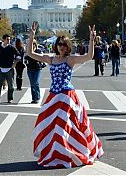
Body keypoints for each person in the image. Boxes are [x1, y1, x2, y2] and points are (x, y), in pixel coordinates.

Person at [27, 22, 103, 168]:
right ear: (56, 45)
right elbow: (30, 54)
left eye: (64, 44)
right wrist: (31, 37)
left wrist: (92, 39)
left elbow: (89, 56)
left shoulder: (70, 59)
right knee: (48, 124)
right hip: (53, 95)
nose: (61, 46)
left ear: (68, 46)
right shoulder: (50, 58)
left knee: (64, 127)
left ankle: (68, 152)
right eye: (59, 44)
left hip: (67, 96)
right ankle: (55, 153)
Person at [0, 34, 20, 104]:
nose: (9, 41)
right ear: (3, 39)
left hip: (9, 69)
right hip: (0, 68)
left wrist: (14, 63)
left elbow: (19, 56)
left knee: (11, 85)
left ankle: (10, 98)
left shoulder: (11, 48)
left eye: (9, 39)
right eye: (7, 39)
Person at [24, 39, 43, 103]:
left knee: (36, 82)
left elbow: (42, 58)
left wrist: (40, 63)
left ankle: (37, 97)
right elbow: (25, 59)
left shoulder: (38, 51)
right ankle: (34, 98)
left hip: (37, 69)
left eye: (32, 44)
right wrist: (26, 62)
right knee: (32, 84)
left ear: (35, 44)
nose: (31, 46)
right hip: (30, 69)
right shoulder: (28, 52)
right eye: (30, 44)